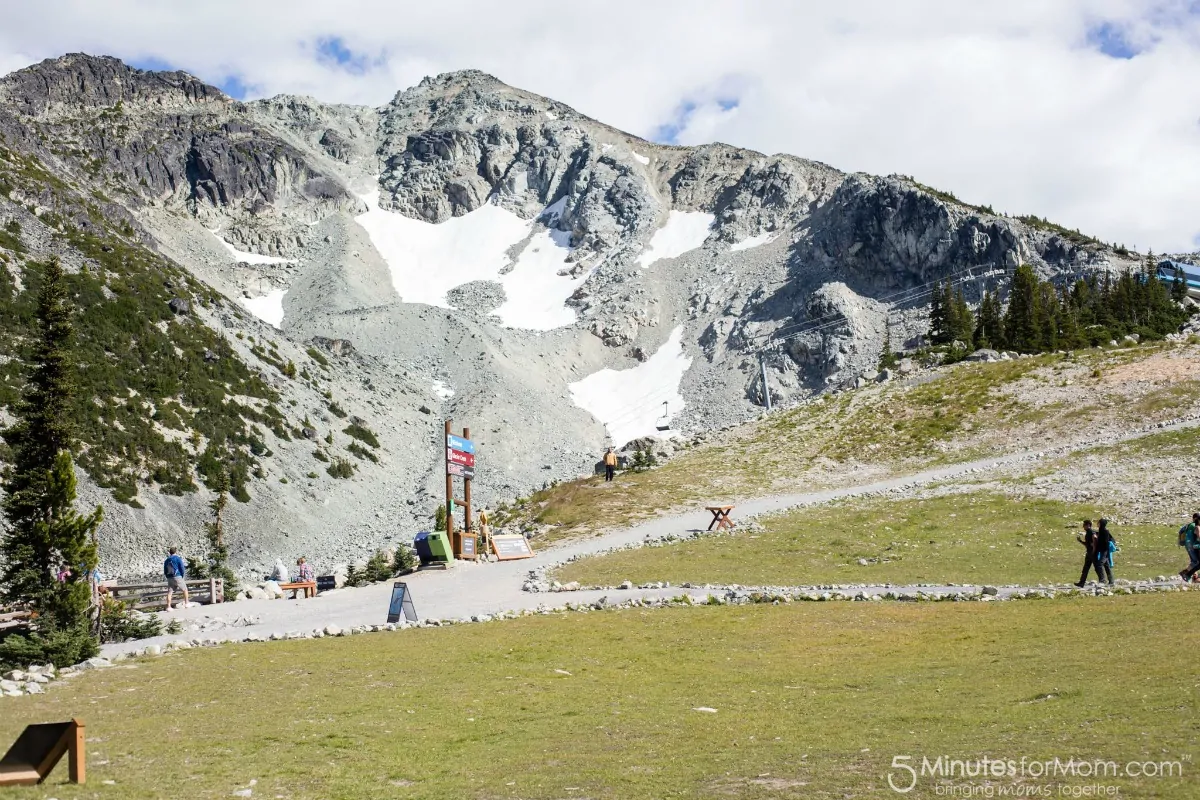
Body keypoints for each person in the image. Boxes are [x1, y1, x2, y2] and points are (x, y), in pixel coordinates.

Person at [1075, 520, 1097, 587]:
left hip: (1092, 553)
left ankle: (1103, 581)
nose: (1083, 526)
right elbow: (1087, 544)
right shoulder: (1088, 533)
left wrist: (1093, 550)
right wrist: (1080, 541)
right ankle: (1081, 583)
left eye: (1084, 525)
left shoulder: (1091, 532)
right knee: (1086, 568)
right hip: (1089, 553)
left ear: (1088, 525)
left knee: (1098, 568)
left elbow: (1095, 540)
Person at [1095, 518, 1116, 586]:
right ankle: (1111, 581)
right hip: (1101, 550)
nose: (1097, 523)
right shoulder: (1100, 531)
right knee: (1106, 566)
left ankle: (1103, 580)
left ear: (1101, 524)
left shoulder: (1105, 531)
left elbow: (1106, 542)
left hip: (1104, 551)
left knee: (1099, 564)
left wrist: (1106, 553)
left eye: (1099, 522)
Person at [1180, 513, 1200, 583]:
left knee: (1195, 562)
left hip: (1189, 546)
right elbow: (1198, 536)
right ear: (1196, 519)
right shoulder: (1195, 526)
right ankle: (1186, 574)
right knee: (1196, 562)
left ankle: (1192, 576)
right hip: (1194, 546)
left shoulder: (1190, 525)